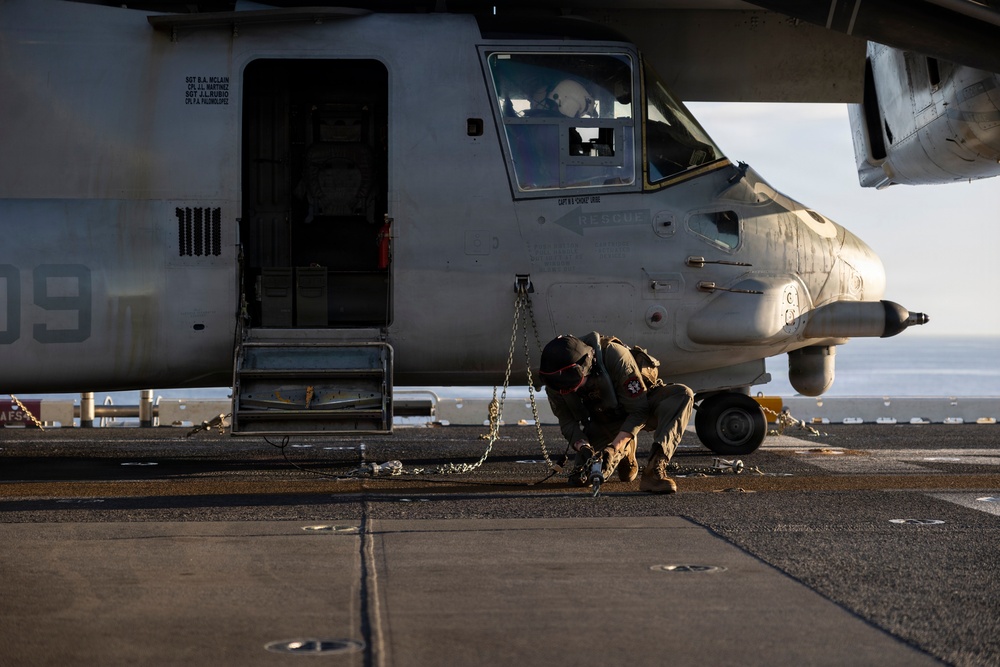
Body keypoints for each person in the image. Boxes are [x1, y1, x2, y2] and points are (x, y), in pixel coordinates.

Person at [538, 333, 694, 494]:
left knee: (682, 395)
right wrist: (583, 447)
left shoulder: (615, 356)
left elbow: (639, 411)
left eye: (574, 383)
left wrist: (613, 448)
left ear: (585, 366)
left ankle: (654, 470)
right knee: (582, 477)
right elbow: (568, 423)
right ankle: (626, 450)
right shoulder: (556, 380)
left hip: (642, 408)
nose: (573, 390)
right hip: (604, 421)